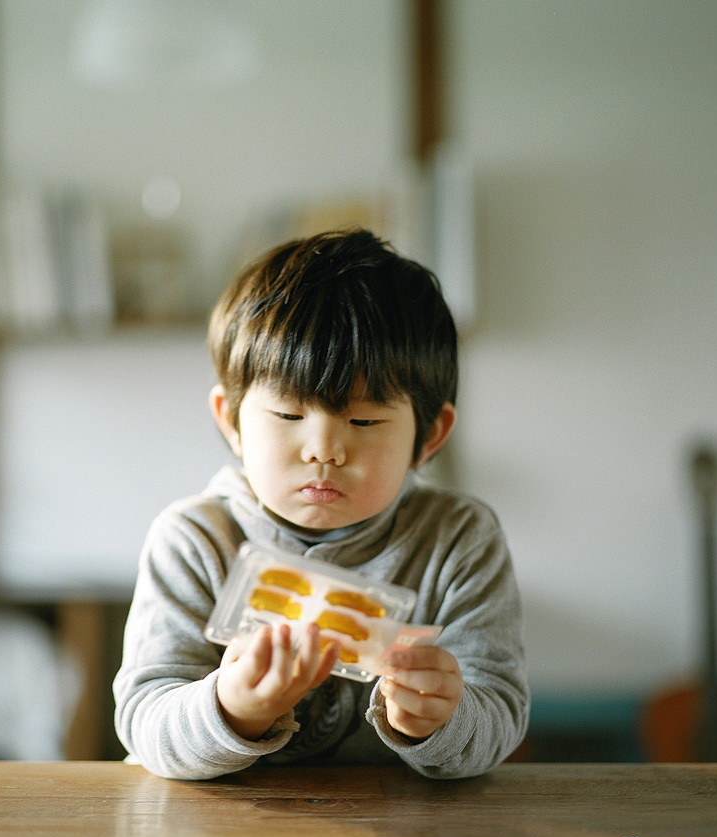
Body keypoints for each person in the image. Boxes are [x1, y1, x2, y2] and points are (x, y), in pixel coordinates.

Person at [113, 229, 528, 780]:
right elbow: (143, 719)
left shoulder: (457, 540)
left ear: (429, 436)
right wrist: (232, 709)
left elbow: (499, 713)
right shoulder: (195, 539)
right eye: (288, 416)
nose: (325, 450)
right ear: (230, 422)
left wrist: (441, 720)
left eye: (365, 422)